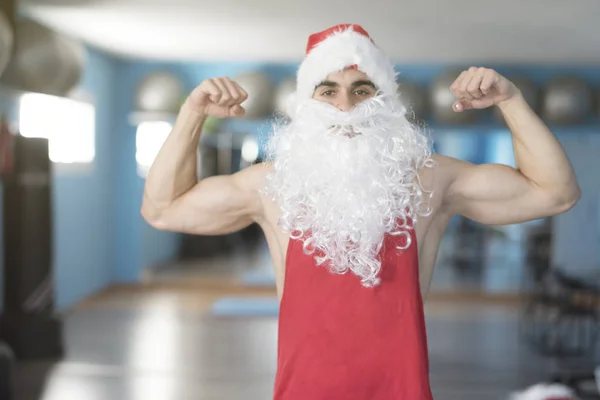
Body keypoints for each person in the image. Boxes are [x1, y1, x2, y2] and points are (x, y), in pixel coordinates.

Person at [141, 23, 581, 400]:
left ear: (384, 100)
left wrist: (511, 100)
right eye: (328, 91)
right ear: (307, 104)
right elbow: (163, 209)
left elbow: (555, 194)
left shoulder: (428, 180)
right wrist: (192, 114)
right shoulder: (273, 185)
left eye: (361, 90)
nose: (346, 108)